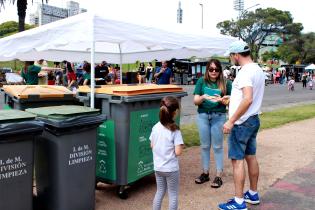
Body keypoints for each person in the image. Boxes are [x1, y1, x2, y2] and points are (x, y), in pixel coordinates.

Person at [218, 41, 265, 210]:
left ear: (236, 55)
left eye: (231, 55)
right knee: (250, 156)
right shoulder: (257, 69)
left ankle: (239, 202)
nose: (231, 58)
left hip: (241, 122)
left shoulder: (245, 72)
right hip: (252, 119)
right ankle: (252, 193)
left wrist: (231, 121)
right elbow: (248, 97)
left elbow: (248, 98)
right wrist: (231, 99)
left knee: (237, 161)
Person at [193, 59, 232, 188]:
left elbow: (231, 101)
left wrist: (223, 100)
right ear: (207, 70)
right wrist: (204, 97)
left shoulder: (226, 83)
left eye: (216, 69)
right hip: (203, 115)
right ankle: (205, 173)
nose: (213, 72)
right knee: (204, 146)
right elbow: (195, 101)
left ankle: (218, 175)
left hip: (218, 116)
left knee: (217, 147)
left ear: (220, 70)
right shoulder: (201, 81)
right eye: (211, 69)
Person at [150, 96, 184, 210]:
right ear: (175, 113)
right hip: (171, 168)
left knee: (159, 191)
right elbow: (178, 152)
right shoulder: (175, 130)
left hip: (158, 167)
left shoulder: (155, 127)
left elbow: (152, 145)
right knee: (173, 194)